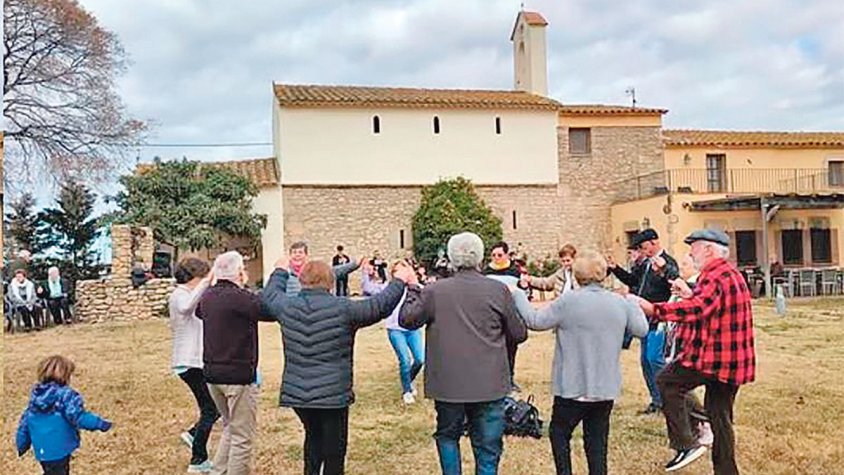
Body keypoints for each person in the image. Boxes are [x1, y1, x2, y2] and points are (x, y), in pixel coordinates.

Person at [261, 258, 415, 475]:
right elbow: (380, 306)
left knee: (313, 438)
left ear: (302, 281)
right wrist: (399, 280)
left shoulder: (287, 306)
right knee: (334, 450)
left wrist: (279, 270)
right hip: (333, 395)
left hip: (299, 393)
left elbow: (270, 296)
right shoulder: (343, 308)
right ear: (331, 283)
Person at [400, 232, 528, 475]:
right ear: (480, 258)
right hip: (489, 382)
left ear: (451, 258)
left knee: (448, 435)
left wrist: (412, 289)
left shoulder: (435, 291)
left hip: (449, 383)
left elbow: (408, 320)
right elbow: (519, 333)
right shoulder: (498, 290)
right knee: (488, 445)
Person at [511, 251, 648, 475]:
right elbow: (641, 329)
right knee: (597, 440)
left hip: (571, 386)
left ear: (576, 275)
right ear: (603, 274)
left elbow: (536, 321)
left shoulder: (568, 301)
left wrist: (518, 295)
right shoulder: (617, 302)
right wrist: (632, 301)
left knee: (559, 433)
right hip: (604, 387)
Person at [638, 229, 756, 474]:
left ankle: (685, 443)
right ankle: (726, 471)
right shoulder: (729, 273)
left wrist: (653, 310)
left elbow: (698, 309)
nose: (691, 254)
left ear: (710, 250)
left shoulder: (715, 276)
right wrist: (691, 294)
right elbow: (712, 305)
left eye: (694, 248)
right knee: (720, 419)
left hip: (714, 358)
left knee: (667, 382)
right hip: (732, 361)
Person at [196, 251, 271, 475]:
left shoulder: (208, 297)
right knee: (242, 437)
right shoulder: (242, 298)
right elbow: (268, 310)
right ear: (239, 272)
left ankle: (219, 471)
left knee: (230, 427)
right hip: (237, 377)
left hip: (212, 374)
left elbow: (200, 313)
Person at [607, 228, 678, 414]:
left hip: (659, 318)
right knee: (646, 360)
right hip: (643, 317)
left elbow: (675, 279)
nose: (641, 250)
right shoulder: (645, 264)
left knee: (655, 358)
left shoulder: (668, 262)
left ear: (654, 242)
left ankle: (670, 398)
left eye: (643, 246)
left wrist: (664, 270)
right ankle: (656, 400)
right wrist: (615, 269)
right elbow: (632, 281)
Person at [16, 355, 112, 475]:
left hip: (42, 451)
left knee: (51, 471)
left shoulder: (35, 399)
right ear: (65, 375)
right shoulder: (66, 396)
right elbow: (78, 416)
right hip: (60, 449)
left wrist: (22, 444)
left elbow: (24, 425)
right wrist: (99, 423)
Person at [169, 257, 220, 473]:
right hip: (189, 363)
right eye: (201, 278)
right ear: (194, 278)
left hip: (195, 362)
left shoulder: (190, 294)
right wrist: (206, 282)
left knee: (213, 409)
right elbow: (186, 308)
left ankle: (192, 435)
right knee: (211, 409)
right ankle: (198, 459)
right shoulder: (179, 295)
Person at [663, 255, 713, 449]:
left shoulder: (696, 287)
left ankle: (703, 422)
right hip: (674, 339)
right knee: (675, 385)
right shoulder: (682, 285)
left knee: (677, 385)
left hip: (687, 343)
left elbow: (693, 308)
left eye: (685, 264)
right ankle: (696, 424)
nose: (681, 267)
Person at [365, 259, 426, 404]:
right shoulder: (388, 288)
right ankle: (406, 390)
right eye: (398, 271)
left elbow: (429, 296)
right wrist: (366, 273)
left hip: (412, 329)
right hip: (395, 329)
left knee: (420, 359)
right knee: (405, 360)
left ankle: (408, 380)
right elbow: (369, 288)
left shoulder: (415, 288)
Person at [483, 240, 527, 393]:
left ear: (506, 255)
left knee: (511, 348)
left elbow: (522, 294)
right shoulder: (486, 272)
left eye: (499, 255)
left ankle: (510, 379)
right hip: (492, 316)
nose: (496, 258)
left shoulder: (515, 272)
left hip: (510, 315)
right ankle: (493, 379)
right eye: (493, 255)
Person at [285, 241, 361, 295]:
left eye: (300, 252)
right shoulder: (284, 274)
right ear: (290, 255)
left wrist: (355, 264)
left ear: (306, 255)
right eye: (294, 252)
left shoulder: (314, 270)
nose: (297, 255)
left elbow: (334, 271)